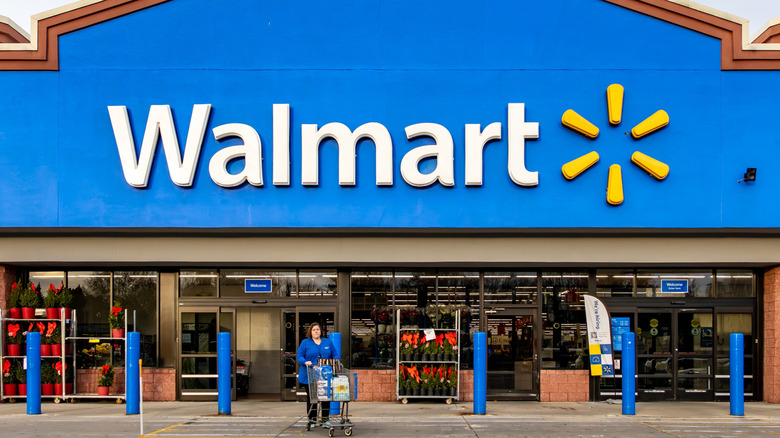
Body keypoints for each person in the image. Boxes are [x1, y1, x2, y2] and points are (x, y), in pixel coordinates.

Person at [297, 322, 339, 428]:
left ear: (321, 331)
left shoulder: (327, 342)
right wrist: (305, 362)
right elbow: (299, 355)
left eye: (318, 329)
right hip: (309, 375)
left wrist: (335, 363)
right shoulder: (305, 343)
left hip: (324, 376)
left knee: (325, 397)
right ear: (310, 332)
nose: (316, 331)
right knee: (312, 398)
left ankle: (325, 420)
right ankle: (312, 420)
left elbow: (335, 354)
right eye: (314, 330)